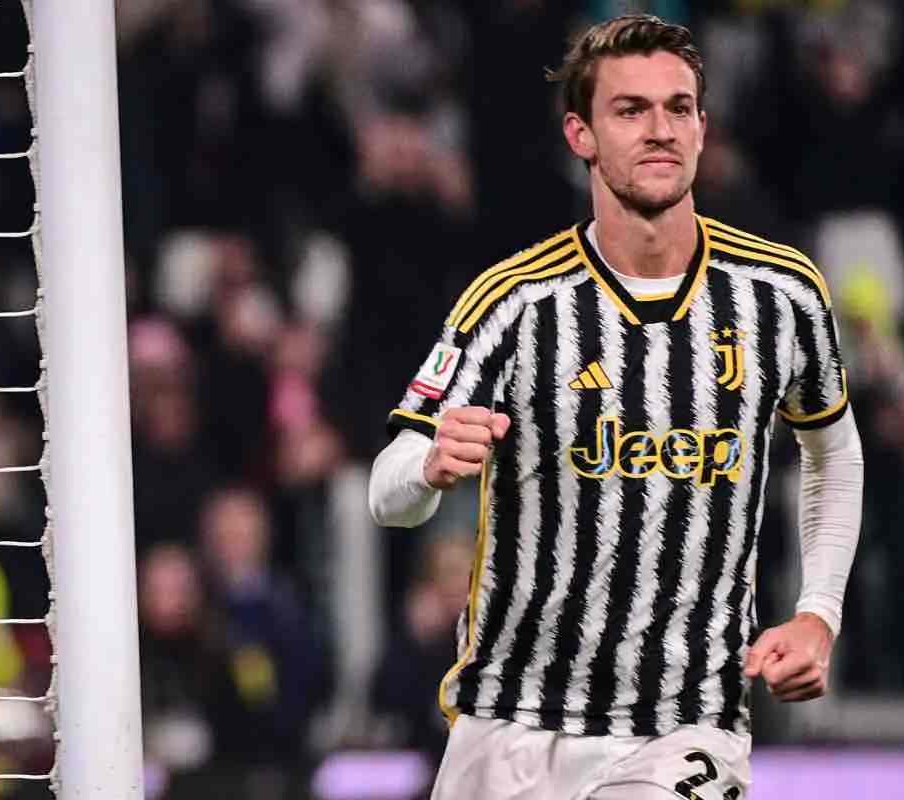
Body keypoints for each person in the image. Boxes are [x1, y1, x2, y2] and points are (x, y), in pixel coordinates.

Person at [368, 15, 863, 799]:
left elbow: (834, 451)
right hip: (511, 724)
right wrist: (428, 467)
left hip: (686, 724)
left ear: (702, 127)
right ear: (582, 135)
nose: (660, 129)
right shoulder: (514, 302)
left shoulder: (781, 295)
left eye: (678, 107)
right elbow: (386, 492)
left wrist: (819, 612)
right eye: (630, 110)